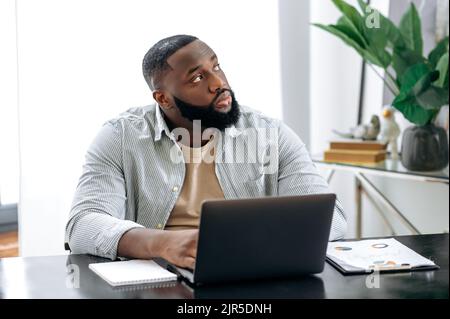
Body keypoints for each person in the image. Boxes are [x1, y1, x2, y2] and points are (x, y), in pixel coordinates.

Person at [65, 35, 347, 269]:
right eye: (198, 78)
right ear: (163, 98)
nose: (218, 83)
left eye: (216, 67)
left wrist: (254, 244)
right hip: (156, 276)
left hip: (250, 271)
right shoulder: (120, 136)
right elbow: (83, 224)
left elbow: (331, 217)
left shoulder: (270, 134)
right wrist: (163, 243)